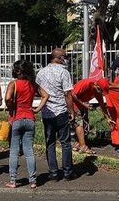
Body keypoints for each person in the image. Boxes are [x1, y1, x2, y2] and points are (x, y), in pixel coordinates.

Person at [5, 60, 49, 188]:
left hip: (17, 118)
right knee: (29, 151)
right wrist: (37, 109)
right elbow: (46, 95)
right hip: (30, 118)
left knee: (14, 151)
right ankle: (33, 181)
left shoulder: (13, 84)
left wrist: (11, 107)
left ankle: (13, 181)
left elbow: (8, 98)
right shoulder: (32, 84)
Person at [36, 48, 75, 181]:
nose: (66, 59)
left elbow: (38, 91)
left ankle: (53, 173)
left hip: (47, 112)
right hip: (61, 111)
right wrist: (72, 111)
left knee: (50, 143)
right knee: (65, 142)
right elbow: (68, 94)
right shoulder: (64, 73)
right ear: (59, 58)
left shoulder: (41, 73)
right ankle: (68, 172)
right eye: (65, 56)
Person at [71, 77, 113, 155]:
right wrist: (84, 104)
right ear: (96, 84)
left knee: (86, 124)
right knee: (79, 123)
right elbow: (72, 94)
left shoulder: (97, 90)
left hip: (83, 105)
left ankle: (78, 144)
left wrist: (108, 118)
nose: (101, 92)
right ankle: (83, 146)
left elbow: (102, 105)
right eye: (100, 89)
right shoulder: (86, 83)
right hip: (74, 104)